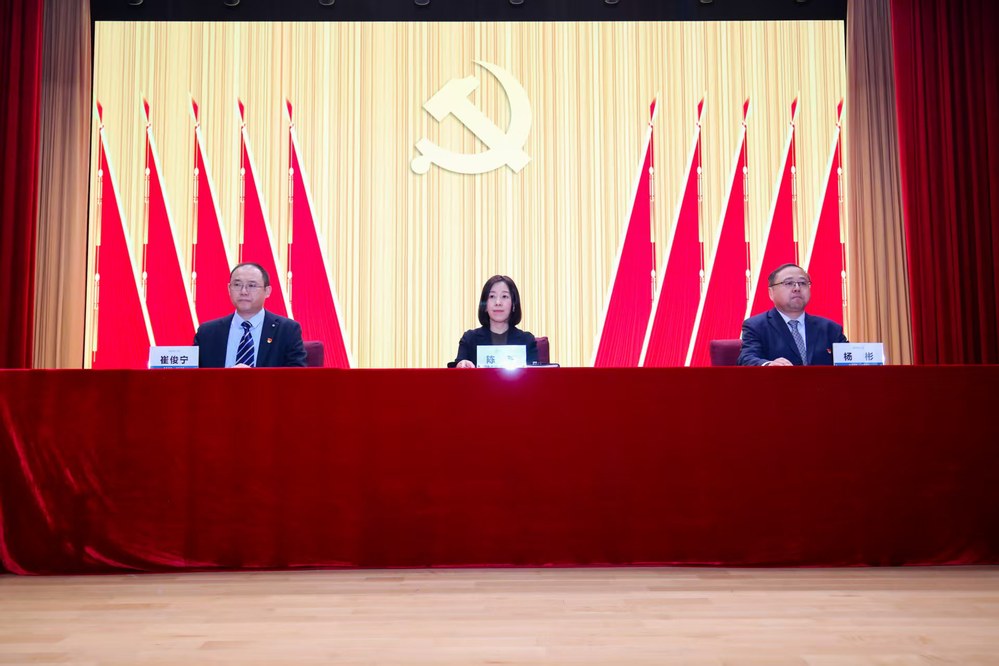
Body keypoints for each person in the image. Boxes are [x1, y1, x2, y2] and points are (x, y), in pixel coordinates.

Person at [194, 262, 306, 368]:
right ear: (229, 289)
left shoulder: (287, 330)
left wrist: (254, 378)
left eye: (252, 285)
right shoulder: (207, 332)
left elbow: (297, 375)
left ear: (267, 291)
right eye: (237, 285)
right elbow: (192, 376)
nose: (243, 291)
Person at [738, 263, 847, 366]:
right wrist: (769, 365)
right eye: (789, 283)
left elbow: (850, 359)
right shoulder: (756, 326)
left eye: (803, 283)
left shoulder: (830, 328)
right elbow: (747, 358)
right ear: (771, 292)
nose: (797, 288)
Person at [453, 275, 538, 368]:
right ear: (485, 305)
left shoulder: (527, 341)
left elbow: (537, 375)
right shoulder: (470, 339)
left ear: (513, 304)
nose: (498, 302)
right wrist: (461, 365)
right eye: (492, 296)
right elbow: (455, 372)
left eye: (504, 296)